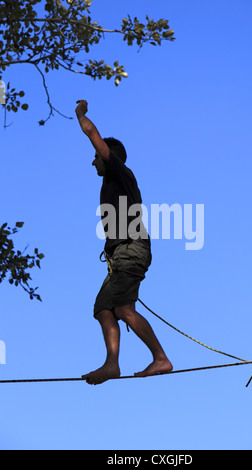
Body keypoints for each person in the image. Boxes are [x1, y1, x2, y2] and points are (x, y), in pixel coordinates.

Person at [75, 100, 173, 385]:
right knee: (105, 308)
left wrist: (80, 114)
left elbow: (92, 133)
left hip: (132, 249)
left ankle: (159, 358)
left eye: (96, 156)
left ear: (107, 157)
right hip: (123, 254)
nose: (93, 161)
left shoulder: (119, 171)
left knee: (122, 309)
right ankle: (113, 363)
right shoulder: (113, 183)